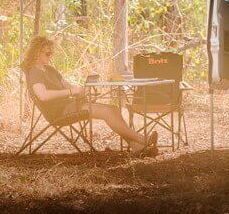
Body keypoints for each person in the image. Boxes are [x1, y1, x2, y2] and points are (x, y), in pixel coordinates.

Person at [22, 35, 157, 155]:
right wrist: (70, 92)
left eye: (52, 53)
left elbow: (68, 86)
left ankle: (135, 145)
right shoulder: (35, 71)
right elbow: (43, 95)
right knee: (108, 111)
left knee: (113, 109)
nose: (51, 56)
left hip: (70, 104)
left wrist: (81, 90)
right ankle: (142, 139)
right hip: (60, 112)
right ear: (36, 53)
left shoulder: (50, 70)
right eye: (48, 53)